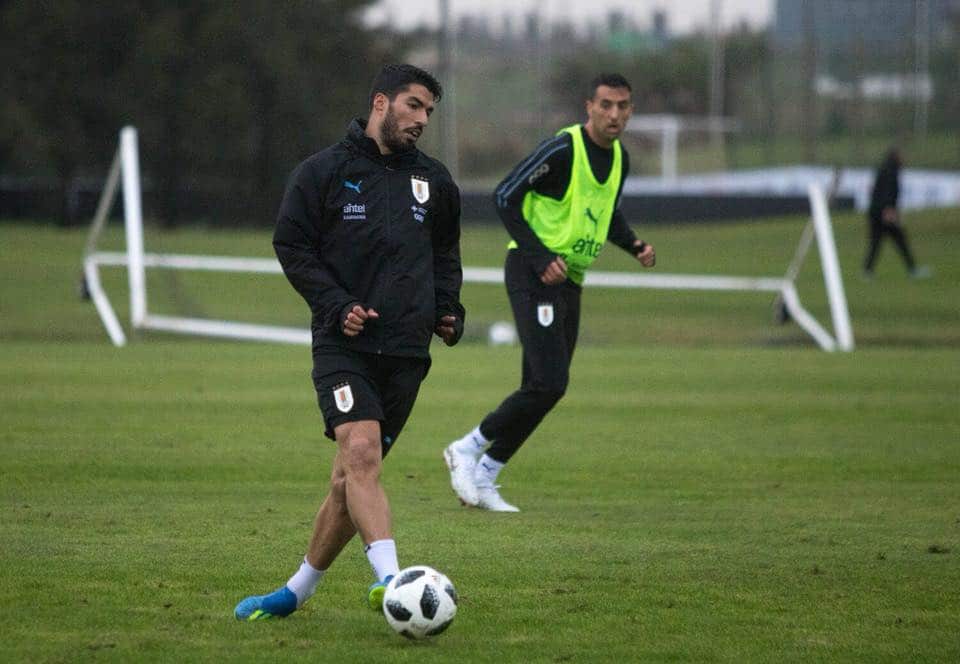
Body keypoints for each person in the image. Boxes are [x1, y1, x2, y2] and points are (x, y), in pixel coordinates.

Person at [234, 64, 465, 620]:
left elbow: (444, 259)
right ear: (381, 103)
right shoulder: (323, 173)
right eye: (413, 105)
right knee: (360, 454)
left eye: (429, 111)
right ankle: (395, 586)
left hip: (407, 353)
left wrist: (449, 309)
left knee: (350, 479)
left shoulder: (436, 183)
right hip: (344, 346)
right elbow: (292, 245)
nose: (422, 119)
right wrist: (337, 307)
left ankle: (295, 591)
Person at [443, 73, 655, 512]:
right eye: (607, 105)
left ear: (630, 110)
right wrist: (540, 257)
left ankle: (486, 475)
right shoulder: (563, 149)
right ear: (589, 107)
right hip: (531, 271)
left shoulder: (619, 159)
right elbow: (504, 196)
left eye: (623, 106)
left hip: (570, 279)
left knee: (545, 387)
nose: (615, 114)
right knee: (549, 381)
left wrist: (634, 244)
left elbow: (606, 214)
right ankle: (466, 448)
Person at [863, 148, 930, 279]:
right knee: (898, 240)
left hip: (877, 212)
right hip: (883, 213)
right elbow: (888, 193)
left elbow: (875, 191)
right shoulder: (891, 172)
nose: (904, 158)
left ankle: (867, 271)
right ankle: (912, 269)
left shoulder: (884, 169)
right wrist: (889, 210)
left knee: (878, 242)